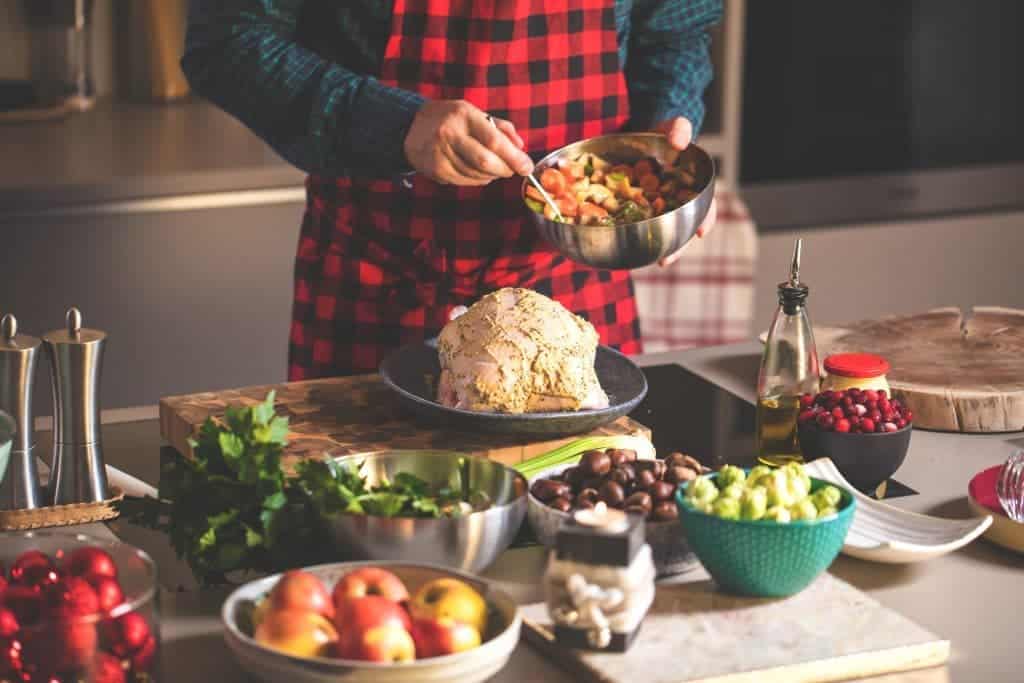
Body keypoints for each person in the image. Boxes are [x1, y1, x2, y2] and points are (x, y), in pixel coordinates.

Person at [181, 0, 722, 381]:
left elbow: (675, 29)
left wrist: (666, 133)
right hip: (375, 291)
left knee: (584, 530)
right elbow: (227, 42)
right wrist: (394, 126)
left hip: (571, 299)